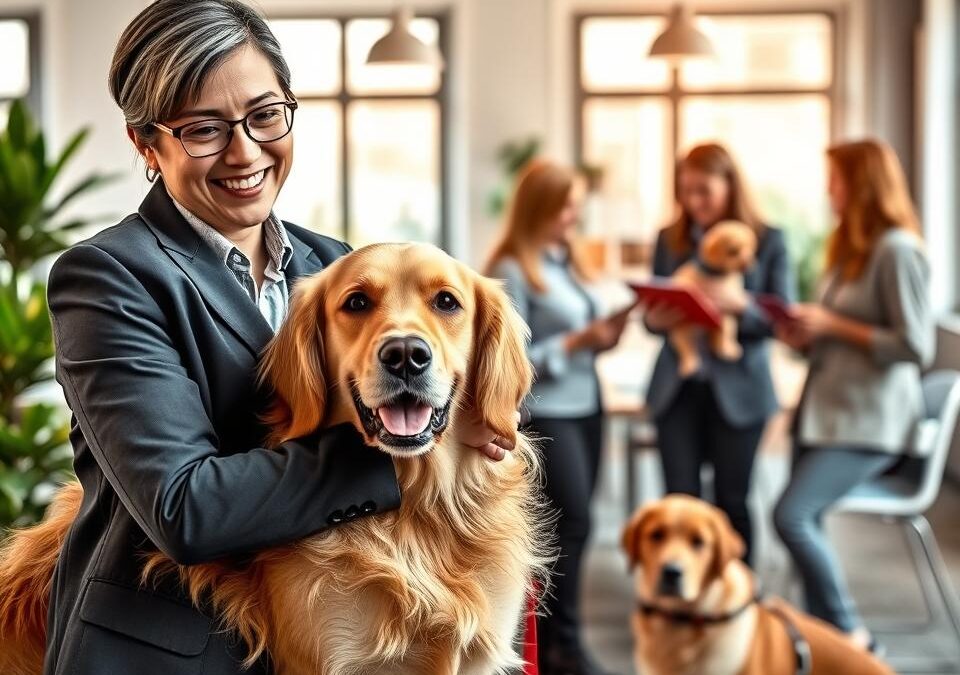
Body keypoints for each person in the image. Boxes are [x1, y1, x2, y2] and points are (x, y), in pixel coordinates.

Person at [43, 2, 509, 673]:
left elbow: (436, 386)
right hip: (172, 652)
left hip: (335, 630)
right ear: (146, 143)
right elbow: (184, 507)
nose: (245, 152)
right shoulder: (108, 276)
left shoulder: (336, 265)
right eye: (204, 129)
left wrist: (465, 411)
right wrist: (401, 456)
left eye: (265, 114)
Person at [773, 139, 934, 653]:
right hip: (829, 415)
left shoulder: (897, 251)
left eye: (836, 180)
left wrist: (832, 324)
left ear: (862, 184)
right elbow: (842, 337)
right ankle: (825, 647)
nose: (828, 190)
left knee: (791, 516)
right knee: (805, 519)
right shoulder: (850, 252)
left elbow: (916, 344)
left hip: (869, 424)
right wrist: (807, 335)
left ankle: (852, 638)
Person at [487, 159, 628, 675]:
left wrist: (602, 339)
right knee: (569, 524)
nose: (574, 215)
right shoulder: (510, 268)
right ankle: (554, 643)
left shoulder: (565, 261)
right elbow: (510, 358)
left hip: (588, 404)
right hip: (549, 413)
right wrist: (577, 342)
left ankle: (561, 635)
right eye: (566, 205)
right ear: (541, 207)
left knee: (580, 525)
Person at [643, 143, 794, 566]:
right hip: (678, 389)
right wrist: (660, 316)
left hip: (741, 391)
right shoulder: (669, 240)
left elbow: (781, 317)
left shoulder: (768, 241)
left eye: (704, 191)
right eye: (686, 191)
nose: (694, 202)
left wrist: (736, 304)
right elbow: (651, 321)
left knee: (732, 500)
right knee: (679, 503)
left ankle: (737, 600)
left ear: (730, 186)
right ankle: (679, 604)